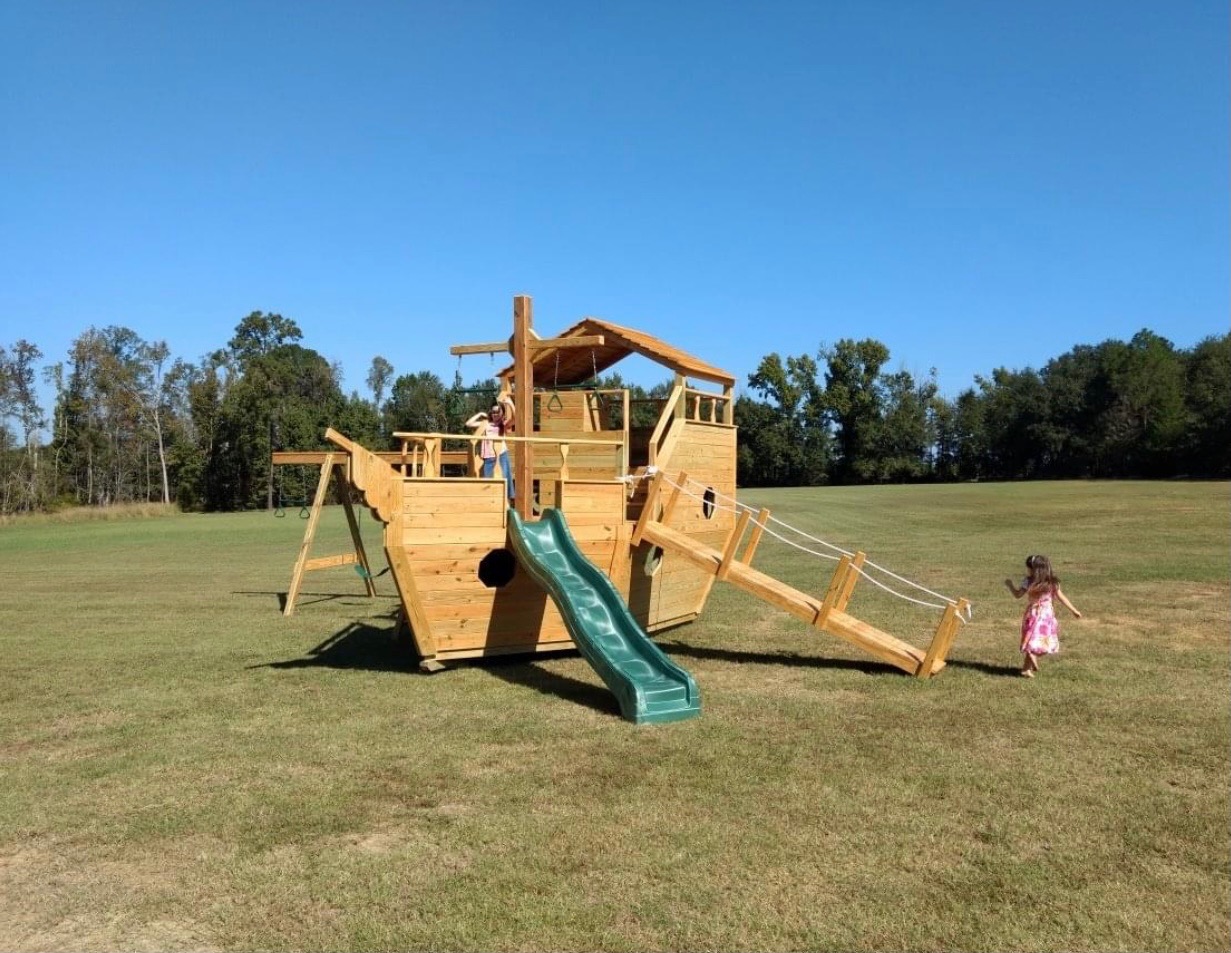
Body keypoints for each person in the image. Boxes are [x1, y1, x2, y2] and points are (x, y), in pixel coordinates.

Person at [1005, 554, 1082, 678]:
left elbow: (1018, 595)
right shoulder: (1052, 582)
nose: (1027, 570)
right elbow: (1061, 597)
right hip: (1046, 617)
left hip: (1032, 614)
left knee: (1033, 640)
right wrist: (1074, 610)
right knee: (1044, 644)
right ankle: (1031, 657)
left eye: (1028, 568)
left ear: (1034, 569)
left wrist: (1010, 586)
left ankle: (1026, 667)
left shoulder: (1028, 581)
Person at [465, 393, 516, 504]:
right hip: (488, 458)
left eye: (497, 412)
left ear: (502, 413)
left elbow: (515, 418)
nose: (495, 414)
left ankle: (506, 507)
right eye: (493, 412)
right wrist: (480, 414)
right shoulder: (486, 424)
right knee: (489, 483)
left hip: (501, 455)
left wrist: (510, 404)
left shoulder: (503, 424)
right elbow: (468, 423)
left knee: (503, 481)